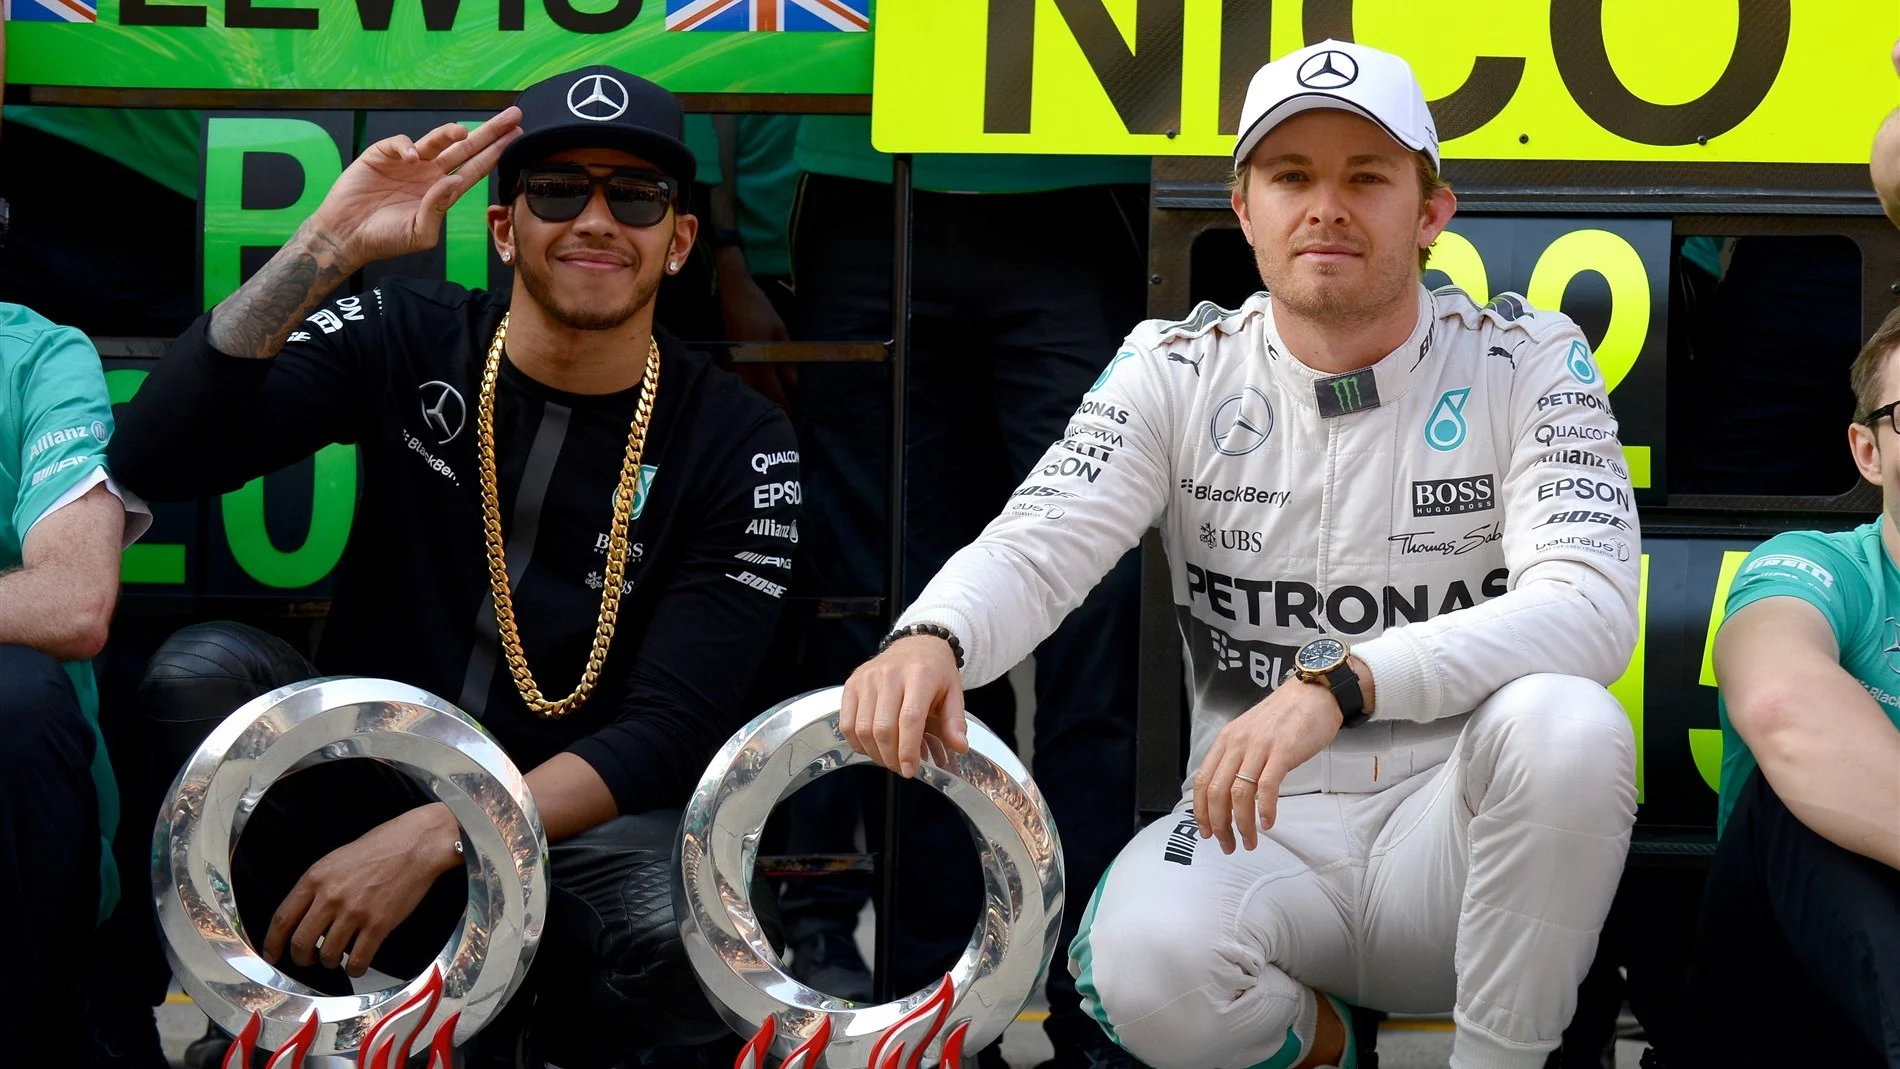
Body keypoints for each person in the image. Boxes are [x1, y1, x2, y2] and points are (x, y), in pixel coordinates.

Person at [841, 40, 1642, 1069]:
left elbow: (1589, 611)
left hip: (1457, 847)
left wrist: (1341, 683)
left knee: (1568, 723)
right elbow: (1040, 543)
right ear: (1243, 209)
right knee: (1137, 969)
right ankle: (1325, 1046)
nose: (1326, 207)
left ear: (1431, 211)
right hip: (1256, 833)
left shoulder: (1528, 356)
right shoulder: (1171, 366)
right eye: (1292, 176)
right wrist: (932, 636)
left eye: (1366, 177)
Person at [108, 66, 798, 1069]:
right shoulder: (409, 331)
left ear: (679, 241)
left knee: (689, 933)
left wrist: (447, 827)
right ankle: (273, 1030)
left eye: (635, 196)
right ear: (505, 228)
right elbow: (155, 456)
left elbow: (672, 728)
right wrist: (326, 247)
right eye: (557, 190)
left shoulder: (741, 437)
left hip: (564, 834)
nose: (595, 220)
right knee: (202, 676)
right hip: (359, 782)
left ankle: (520, 1044)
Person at [786, 111, 1150, 1069]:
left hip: (1085, 171)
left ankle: (1101, 1004)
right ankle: (935, 1009)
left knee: (1100, 628)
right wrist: (735, 224)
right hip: (863, 174)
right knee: (903, 626)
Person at [1682, 306, 1900, 1068]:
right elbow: (1782, 702)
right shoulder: (1818, 566)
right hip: (1785, 1009)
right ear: (1868, 451)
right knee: (1800, 792)